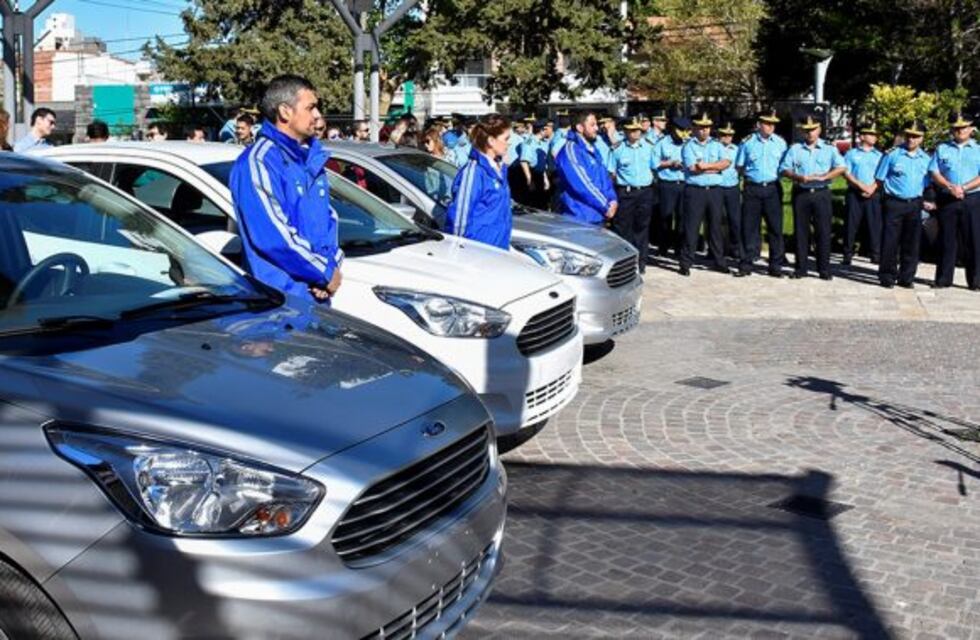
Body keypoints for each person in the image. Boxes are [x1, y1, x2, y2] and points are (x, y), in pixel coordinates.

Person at [229, 74, 342, 304]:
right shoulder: (259, 162)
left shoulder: (310, 158)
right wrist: (324, 273)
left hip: (316, 300)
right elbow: (274, 237)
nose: (318, 116)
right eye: (311, 107)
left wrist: (330, 268)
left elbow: (329, 219)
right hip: (280, 304)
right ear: (285, 112)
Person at [780, 116, 846, 280]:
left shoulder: (829, 149)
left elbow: (841, 167)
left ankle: (824, 269)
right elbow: (784, 169)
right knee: (801, 232)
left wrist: (825, 176)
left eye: (813, 129)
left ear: (819, 130)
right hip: (802, 192)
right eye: (807, 130)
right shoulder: (795, 149)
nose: (810, 133)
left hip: (821, 193)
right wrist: (798, 177)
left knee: (823, 232)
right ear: (803, 131)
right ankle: (801, 268)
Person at [875, 121, 934, 289]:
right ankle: (887, 275)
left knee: (912, 242)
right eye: (909, 135)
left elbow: (928, 183)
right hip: (894, 202)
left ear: (922, 138)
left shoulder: (926, 159)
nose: (911, 139)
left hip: (915, 203)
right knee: (890, 241)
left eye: (916, 136)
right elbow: (880, 178)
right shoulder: (892, 155)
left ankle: (907, 276)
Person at [445, 114, 514, 250]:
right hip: (478, 251)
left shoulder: (499, 168)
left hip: (498, 249)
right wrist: (458, 251)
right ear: (491, 141)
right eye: (506, 139)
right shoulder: (474, 171)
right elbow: (460, 217)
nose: (508, 143)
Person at [929, 112, 980, 290]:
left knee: (973, 239)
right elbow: (934, 171)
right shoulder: (942, 148)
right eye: (956, 128)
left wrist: (964, 188)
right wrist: (950, 187)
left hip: (972, 198)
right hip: (948, 197)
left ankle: (976, 280)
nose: (960, 131)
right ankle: (943, 279)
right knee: (946, 239)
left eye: (963, 127)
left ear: (971, 129)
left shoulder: (978, 149)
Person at [734, 110, 787, 278]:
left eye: (773, 124)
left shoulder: (780, 143)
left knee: (775, 228)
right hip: (753, 188)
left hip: (772, 188)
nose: (771, 126)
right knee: (748, 227)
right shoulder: (747, 142)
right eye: (767, 123)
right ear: (759, 125)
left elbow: (785, 166)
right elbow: (739, 166)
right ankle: (746, 263)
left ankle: (775, 265)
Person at [679, 113, 730, 276]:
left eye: (707, 127)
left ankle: (719, 261)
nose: (704, 131)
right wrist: (715, 167)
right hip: (695, 192)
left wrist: (706, 166)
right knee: (692, 228)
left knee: (715, 227)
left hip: (715, 191)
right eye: (701, 127)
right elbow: (693, 168)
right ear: (694, 128)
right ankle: (686, 262)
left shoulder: (716, 144)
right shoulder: (688, 146)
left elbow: (726, 163)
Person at [607, 117, 656, 272]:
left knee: (642, 227)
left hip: (645, 192)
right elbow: (611, 172)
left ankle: (641, 262)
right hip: (626, 192)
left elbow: (654, 167)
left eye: (638, 130)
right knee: (624, 228)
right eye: (632, 130)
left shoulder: (649, 147)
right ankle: (626, 262)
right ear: (626, 131)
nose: (636, 133)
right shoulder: (617, 149)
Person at [554, 111, 618, 226]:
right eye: (592, 125)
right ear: (580, 127)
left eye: (596, 124)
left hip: (597, 215)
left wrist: (612, 199)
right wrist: (605, 205)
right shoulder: (571, 150)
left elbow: (604, 177)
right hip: (579, 217)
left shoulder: (592, 148)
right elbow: (582, 184)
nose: (597, 128)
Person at [842, 123, 884, 265]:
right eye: (871, 134)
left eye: (875, 135)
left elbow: (882, 175)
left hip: (873, 193)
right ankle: (847, 253)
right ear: (862, 137)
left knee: (875, 225)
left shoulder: (879, 155)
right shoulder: (852, 154)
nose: (874, 137)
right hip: (855, 192)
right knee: (851, 224)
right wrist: (860, 185)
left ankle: (875, 253)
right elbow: (846, 173)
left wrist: (872, 188)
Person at [653, 117, 690, 258]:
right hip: (667, 184)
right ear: (673, 129)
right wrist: (669, 163)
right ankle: (663, 247)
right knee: (665, 217)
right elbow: (654, 163)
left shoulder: (688, 142)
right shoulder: (662, 143)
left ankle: (679, 249)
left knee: (682, 217)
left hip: (684, 184)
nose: (683, 133)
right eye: (680, 130)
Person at [716, 122, 743, 265]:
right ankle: (716, 249)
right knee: (716, 220)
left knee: (735, 220)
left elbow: (740, 166)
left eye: (730, 135)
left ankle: (735, 248)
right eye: (724, 135)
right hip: (717, 186)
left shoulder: (737, 149)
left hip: (732, 186)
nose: (727, 137)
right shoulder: (713, 148)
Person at [518, 119, 553, 209]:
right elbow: (524, 162)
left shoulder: (543, 143)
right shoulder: (529, 143)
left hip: (540, 176)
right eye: (546, 129)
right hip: (532, 175)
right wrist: (530, 180)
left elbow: (542, 163)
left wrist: (545, 179)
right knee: (533, 206)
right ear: (542, 130)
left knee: (542, 205)